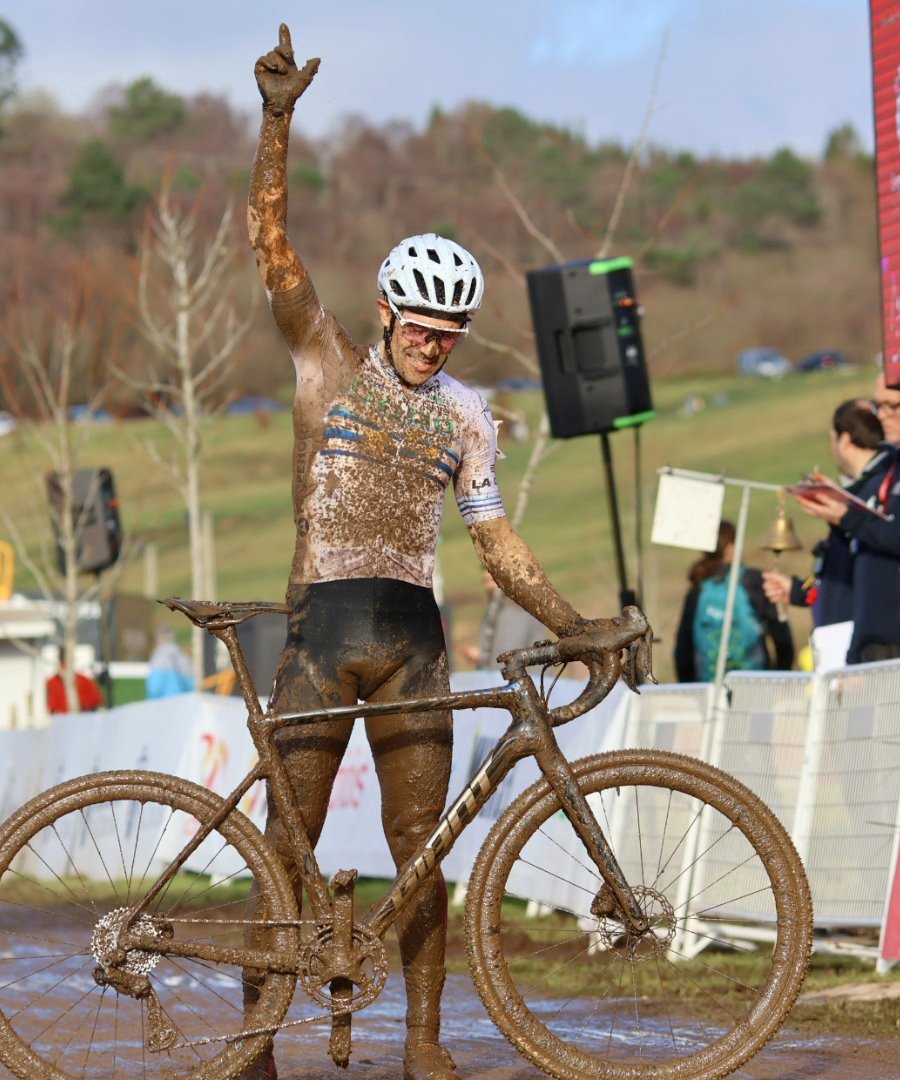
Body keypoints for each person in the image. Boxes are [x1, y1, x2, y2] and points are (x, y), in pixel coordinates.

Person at [241, 26, 611, 1080]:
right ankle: (257, 1047)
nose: (433, 339)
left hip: (412, 640)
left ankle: (423, 1042)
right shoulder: (327, 361)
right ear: (387, 309)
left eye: (451, 328)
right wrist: (276, 123)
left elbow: (493, 537)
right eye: (420, 321)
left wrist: (571, 622)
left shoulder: (468, 415)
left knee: (422, 856)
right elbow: (270, 246)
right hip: (317, 627)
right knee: (283, 848)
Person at [796, 372, 900, 662]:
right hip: (872, 644)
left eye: (891, 406)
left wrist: (848, 518)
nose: (882, 417)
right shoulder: (896, 463)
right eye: (878, 407)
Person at [763, 399, 887, 627]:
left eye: (832, 439)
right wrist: (798, 591)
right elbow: (841, 576)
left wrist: (845, 514)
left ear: (845, 440)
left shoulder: (878, 490)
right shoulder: (861, 493)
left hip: (865, 636)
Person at [674, 522, 794, 682]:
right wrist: (780, 674)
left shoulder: (699, 586)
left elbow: (683, 649)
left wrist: (690, 687)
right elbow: (781, 634)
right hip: (754, 685)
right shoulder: (752, 580)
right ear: (731, 545)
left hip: (709, 688)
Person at [45, 648, 103, 714]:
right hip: (68, 717)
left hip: (78, 716)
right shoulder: (84, 679)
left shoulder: (51, 682)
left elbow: (96, 700)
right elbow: (97, 700)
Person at [145, 632, 195, 700]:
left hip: (162, 703)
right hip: (181, 702)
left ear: (158, 639)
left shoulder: (159, 656)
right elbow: (192, 684)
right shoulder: (182, 655)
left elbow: (155, 688)